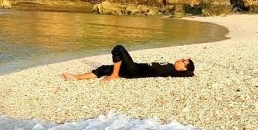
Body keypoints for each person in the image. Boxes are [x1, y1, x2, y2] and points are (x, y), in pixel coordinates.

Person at [62, 45, 195, 81]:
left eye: (183, 61)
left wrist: (186, 72)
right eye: (182, 59)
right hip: (133, 70)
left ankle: (115, 74)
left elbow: (190, 73)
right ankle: (76, 77)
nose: (180, 60)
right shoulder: (170, 66)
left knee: (118, 49)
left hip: (135, 70)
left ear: (183, 68)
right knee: (104, 69)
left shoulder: (173, 71)